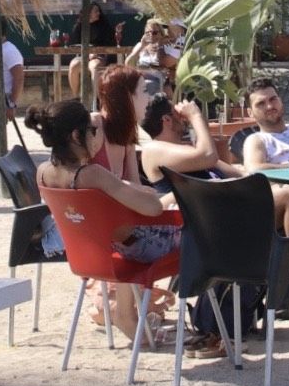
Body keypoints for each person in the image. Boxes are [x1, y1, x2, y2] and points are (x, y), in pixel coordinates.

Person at [29, 97, 182, 342]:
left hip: (91, 253)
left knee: (129, 233)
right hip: (133, 250)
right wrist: (140, 190)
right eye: (91, 131)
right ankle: (216, 325)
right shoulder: (93, 175)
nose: (95, 136)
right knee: (197, 230)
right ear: (77, 137)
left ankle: (125, 313)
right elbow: (153, 209)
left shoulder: (43, 173)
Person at [139, 94, 242, 189]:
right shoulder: (152, 149)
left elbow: (241, 176)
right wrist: (195, 116)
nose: (183, 118)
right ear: (167, 119)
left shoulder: (189, 151)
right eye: (178, 113)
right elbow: (208, 155)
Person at [65, 2, 120, 98]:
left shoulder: (104, 26)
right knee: (73, 65)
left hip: (100, 56)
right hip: (83, 55)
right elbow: (74, 44)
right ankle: (76, 97)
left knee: (94, 66)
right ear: (89, 13)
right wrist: (87, 53)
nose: (99, 13)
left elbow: (110, 44)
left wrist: (95, 53)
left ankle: (97, 100)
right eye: (96, 11)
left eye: (99, 11)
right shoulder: (80, 26)